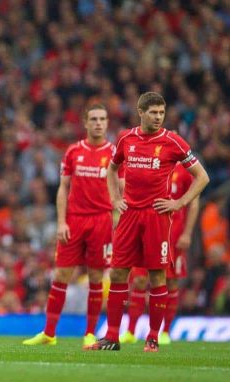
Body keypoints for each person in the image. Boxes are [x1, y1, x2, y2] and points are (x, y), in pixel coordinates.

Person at [88, 92, 209, 352]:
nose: (158, 117)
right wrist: (114, 199)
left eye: (161, 113)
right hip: (130, 214)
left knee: (157, 276)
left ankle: (152, 338)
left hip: (156, 216)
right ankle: (112, 337)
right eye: (153, 112)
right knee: (119, 272)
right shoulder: (126, 138)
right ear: (140, 112)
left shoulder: (172, 141)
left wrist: (179, 203)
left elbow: (202, 177)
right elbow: (111, 170)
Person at [22, 105, 114, 349]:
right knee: (61, 275)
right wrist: (61, 221)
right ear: (85, 122)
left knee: (96, 278)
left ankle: (90, 334)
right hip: (73, 221)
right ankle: (49, 333)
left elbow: (122, 188)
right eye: (93, 119)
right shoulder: (74, 151)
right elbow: (63, 188)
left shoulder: (115, 154)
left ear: (107, 123)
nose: (98, 123)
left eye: (102, 119)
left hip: (101, 220)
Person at [120, 162, 199, 345]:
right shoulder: (151, 164)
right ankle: (131, 330)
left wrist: (187, 233)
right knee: (139, 279)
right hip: (148, 230)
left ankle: (165, 331)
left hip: (174, 235)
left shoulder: (185, 171)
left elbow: (194, 203)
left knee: (170, 281)